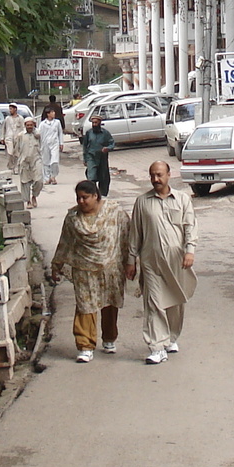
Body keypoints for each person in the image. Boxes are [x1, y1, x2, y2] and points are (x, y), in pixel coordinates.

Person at [127, 160, 197, 365]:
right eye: (152, 175)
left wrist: (190, 251)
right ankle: (157, 347)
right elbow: (135, 233)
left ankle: (171, 337)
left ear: (169, 175)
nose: (155, 179)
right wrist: (131, 261)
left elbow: (190, 227)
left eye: (159, 175)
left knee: (175, 300)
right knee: (154, 303)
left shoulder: (182, 199)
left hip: (177, 261)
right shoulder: (142, 202)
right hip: (151, 261)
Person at [50, 179, 127, 362]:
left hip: (110, 267)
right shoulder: (73, 218)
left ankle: (109, 338)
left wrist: (131, 260)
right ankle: (85, 345)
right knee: (85, 305)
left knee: (110, 303)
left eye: (85, 197)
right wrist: (57, 265)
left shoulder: (113, 211)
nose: (81, 202)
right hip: (83, 267)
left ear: (95, 196)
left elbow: (126, 233)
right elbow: (65, 242)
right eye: (78, 198)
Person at [8, 116, 42, 208]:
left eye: (31, 125)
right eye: (28, 125)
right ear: (25, 125)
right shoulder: (21, 135)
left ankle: (34, 196)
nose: (30, 127)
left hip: (36, 159)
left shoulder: (38, 135)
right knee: (25, 182)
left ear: (34, 125)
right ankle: (28, 201)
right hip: (24, 161)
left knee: (39, 181)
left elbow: (42, 146)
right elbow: (17, 149)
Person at [80, 111, 115, 197]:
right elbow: (85, 146)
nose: (94, 124)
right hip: (91, 157)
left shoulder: (105, 133)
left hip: (102, 158)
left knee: (103, 178)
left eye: (96, 123)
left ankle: (102, 195)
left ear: (100, 123)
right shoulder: (89, 133)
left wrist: (107, 148)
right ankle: (92, 194)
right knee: (91, 177)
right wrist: (85, 159)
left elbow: (112, 143)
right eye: (93, 123)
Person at [38, 105, 64, 190]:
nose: (54, 114)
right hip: (45, 144)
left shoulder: (57, 122)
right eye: (52, 112)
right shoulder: (42, 124)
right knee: (46, 161)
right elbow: (39, 135)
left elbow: (60, 133)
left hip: (54, 143)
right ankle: (47, 178)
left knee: (54, 161)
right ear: (48, 114)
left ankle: (53, 176)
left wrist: (61, 143)